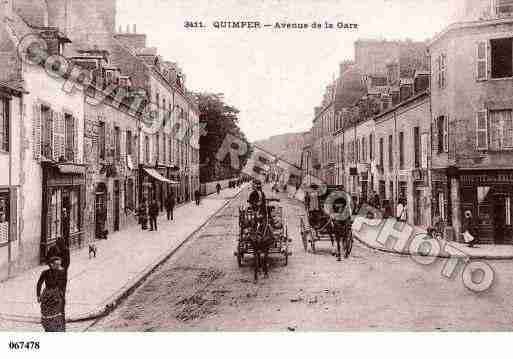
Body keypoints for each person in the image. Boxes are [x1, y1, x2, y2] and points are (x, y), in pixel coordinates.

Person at [36, 256, 67, 332]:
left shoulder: (62, 272)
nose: (58, 266)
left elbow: (63, 285)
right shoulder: (45, 272)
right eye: (56, 264)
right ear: (51, 264)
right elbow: (39, 284)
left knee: (57, 314)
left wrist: (62, 295)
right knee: (45, 313)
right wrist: (38, 295)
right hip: (47, 294)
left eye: (59, 264)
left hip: (56, 294)